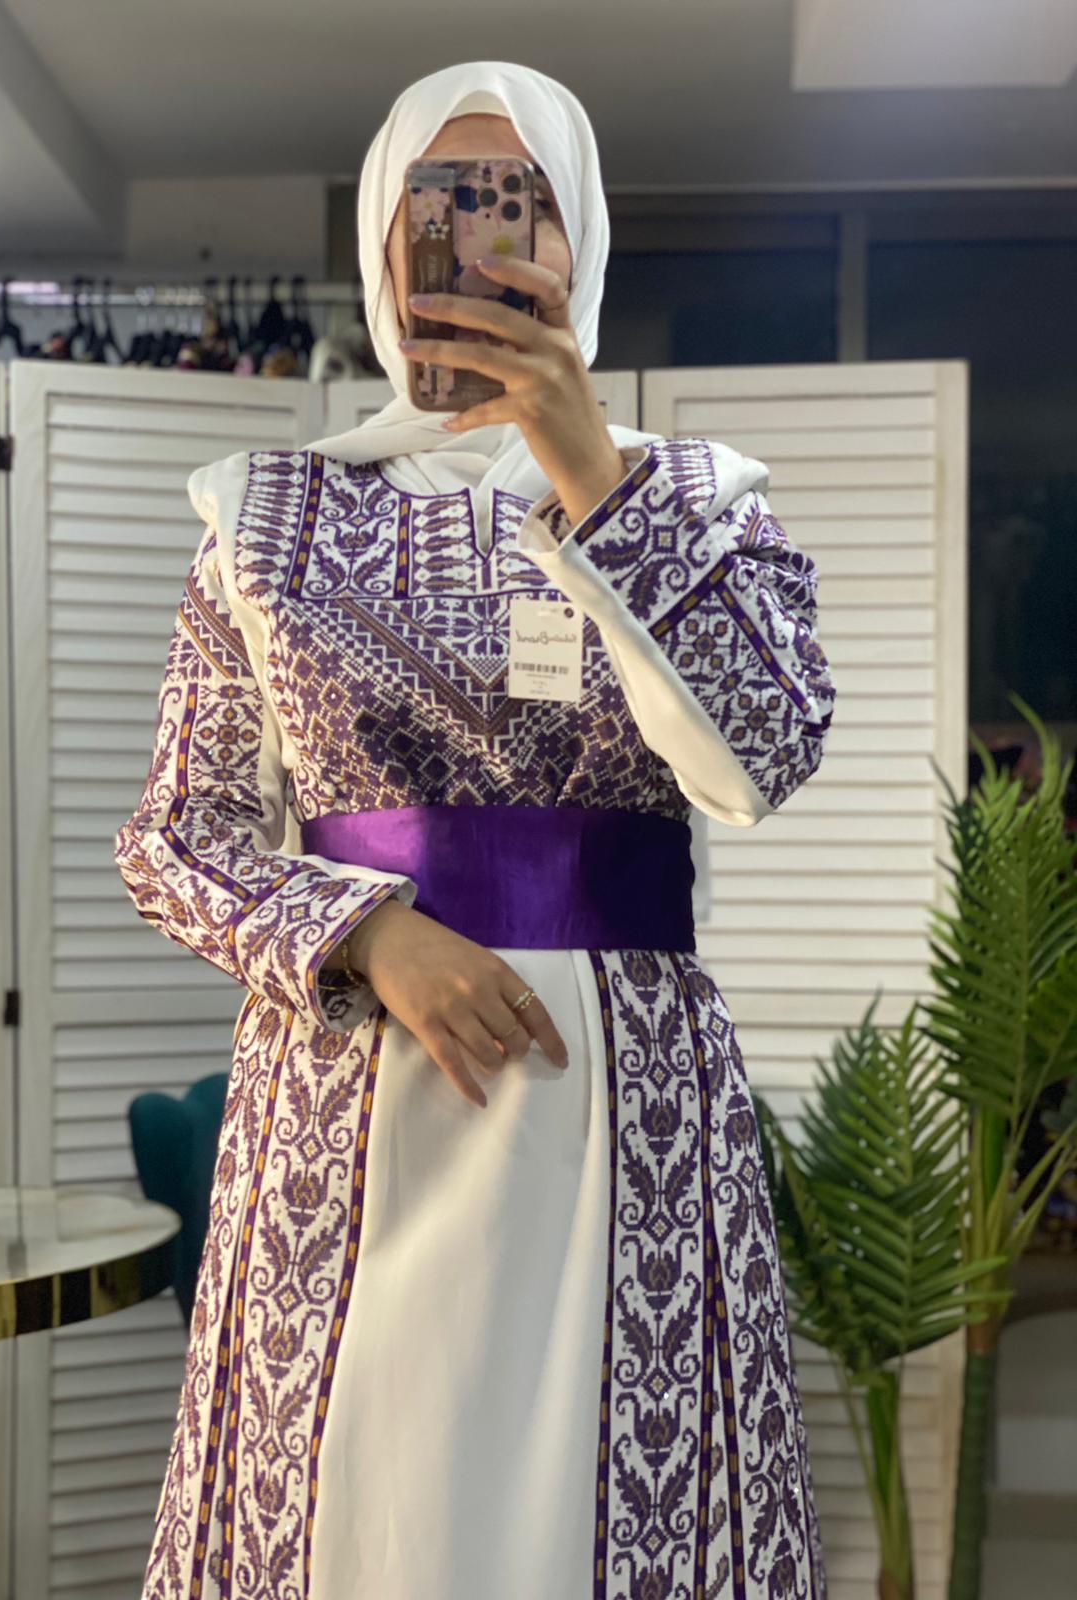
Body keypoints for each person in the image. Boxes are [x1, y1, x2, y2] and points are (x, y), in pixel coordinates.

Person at [115, 58, 834, 1600]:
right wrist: (370, 931)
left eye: (529, 210)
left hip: (622, 1107)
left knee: (607, 1517)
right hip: (349, 1095)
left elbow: (765, 756)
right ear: (389, 245)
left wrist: (593, 475)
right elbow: (177, 831)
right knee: (362, 1508)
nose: (491, 244)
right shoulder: (263, 515)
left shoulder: (703, 501)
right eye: (446, 208)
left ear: (582, 244)